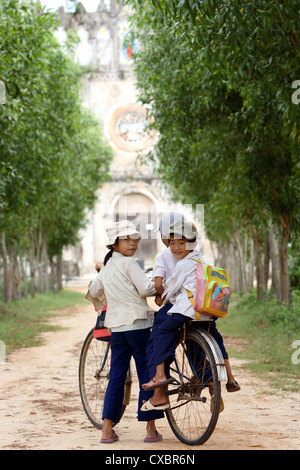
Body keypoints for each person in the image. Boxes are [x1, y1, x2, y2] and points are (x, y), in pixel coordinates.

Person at [141, 220, 239, 412]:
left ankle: (160, 374)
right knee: (214, 342)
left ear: (191, 244)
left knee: (160, 330)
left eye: (181, 243)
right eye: (173, 243)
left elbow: (171, 287)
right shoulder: (201, 260)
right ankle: (228, 378)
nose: (176, 247)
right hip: (206, 313)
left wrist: (162, 299)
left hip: (187, 310)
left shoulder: (183, 264)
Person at [88, 220, 164, 444]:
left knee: (116, 378)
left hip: (118, 330)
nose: (132, 243)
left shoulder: (108, 267)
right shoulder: (130, 264)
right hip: (139, 327)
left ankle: (107, 430)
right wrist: (159, 286)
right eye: (126, 240)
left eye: (134, 239)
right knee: (146, 376)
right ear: (114, 244)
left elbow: (94, 290)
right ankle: (150, 429)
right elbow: (146, 289)